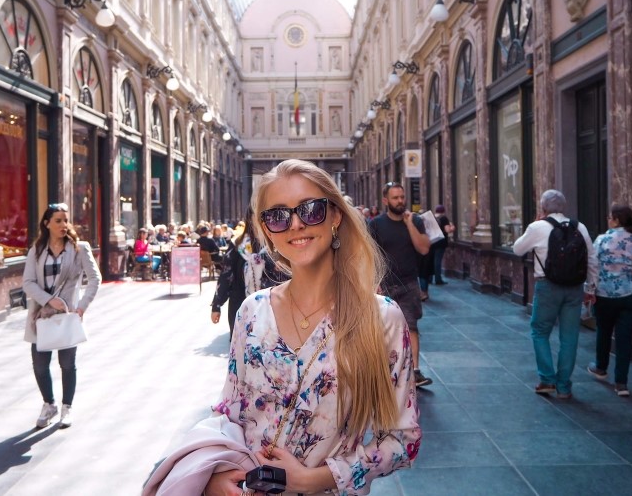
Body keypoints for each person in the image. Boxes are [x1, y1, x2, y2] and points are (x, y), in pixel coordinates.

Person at [144, 160, 420, 495]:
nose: (295, 225)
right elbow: (228, 412)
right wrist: (216, 479)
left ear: (335, 216)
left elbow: (403, 440)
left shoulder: (380, 318)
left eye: (311, 210)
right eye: (277, 215)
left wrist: (316, 478)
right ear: (266, 230)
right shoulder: (252, 311)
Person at [22, 203, 101, 429]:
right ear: (47, 224)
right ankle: (49, 404)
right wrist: (48, 300)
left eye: (66, 220)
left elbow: (95, 279)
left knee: (67, 364)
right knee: (39, 365)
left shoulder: (79, 248)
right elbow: (27, 282)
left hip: (67, 317)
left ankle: (67, 407)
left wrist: (82, 306)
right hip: (41, 315)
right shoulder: (36, 250)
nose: (64, 225)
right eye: (58, 221)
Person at [512, 189, 597, 399]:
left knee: (540, 331)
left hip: (547, 286)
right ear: (564, 207)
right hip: (575, 288)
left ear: (543, 208)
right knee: (569, 337)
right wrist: (591, 288)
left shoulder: (537, 227)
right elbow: (592, 259)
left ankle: (547, 380)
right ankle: (564, 387)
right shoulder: (580, 227)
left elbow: (517, 249)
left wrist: (533, 226)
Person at [587, 204, 632, 397]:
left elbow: (592, 265)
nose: (608, 220)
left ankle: (601, 368)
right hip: (630, 294)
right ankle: (622, 383)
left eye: (610, 217)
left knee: (603, 331)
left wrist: (590, 289)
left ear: (617, 220)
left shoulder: (602, 240)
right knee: (624, 338)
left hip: (604, 295)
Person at [369, 182, 433, 387]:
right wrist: (374, 281)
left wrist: (410, 225)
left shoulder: (415, 221)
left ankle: (414, 371)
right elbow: (371, 254)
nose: (400, 201)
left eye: (402, 197)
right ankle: (385, 370)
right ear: (386, 201)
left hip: (408, 283)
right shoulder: (376, 224)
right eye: (395, 198)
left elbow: (423, 249)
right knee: (383, 328)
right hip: (385, 284)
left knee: (411, 326)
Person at [210, 206, 286, 340]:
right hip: (240, 305)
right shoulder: (238, 245)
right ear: (250, 218)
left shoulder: (278, 244)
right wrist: (217, 305)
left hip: (273, 308)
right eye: (256, 216)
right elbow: (226, 275)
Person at [433, 204, 455, 285]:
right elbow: (447, 230)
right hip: (441, 242)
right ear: (443, 211)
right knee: (437, 261)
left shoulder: (433, 218)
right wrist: (452, 227)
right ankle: (438, 279)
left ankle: (429, 279)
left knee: (432, 260)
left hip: (432, 241)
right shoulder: (444, 218)